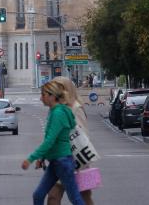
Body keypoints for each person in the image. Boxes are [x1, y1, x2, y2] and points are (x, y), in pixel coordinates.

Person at [22, 79, 85, 205]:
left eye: (43, 95)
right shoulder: (53, 111)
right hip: (56, 161)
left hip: (63, 162)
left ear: (52, 96)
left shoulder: (58, 114)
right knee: (38, 195)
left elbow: (50, 141)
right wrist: (42, 158)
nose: (41, 98)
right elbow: (51, 140)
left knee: (75, 199)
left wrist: (31, 158)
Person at [47, 77, 94, 205]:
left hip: (76, 162)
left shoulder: (75, 108)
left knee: (84, 197)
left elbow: (83, 136)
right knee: (53, 197)